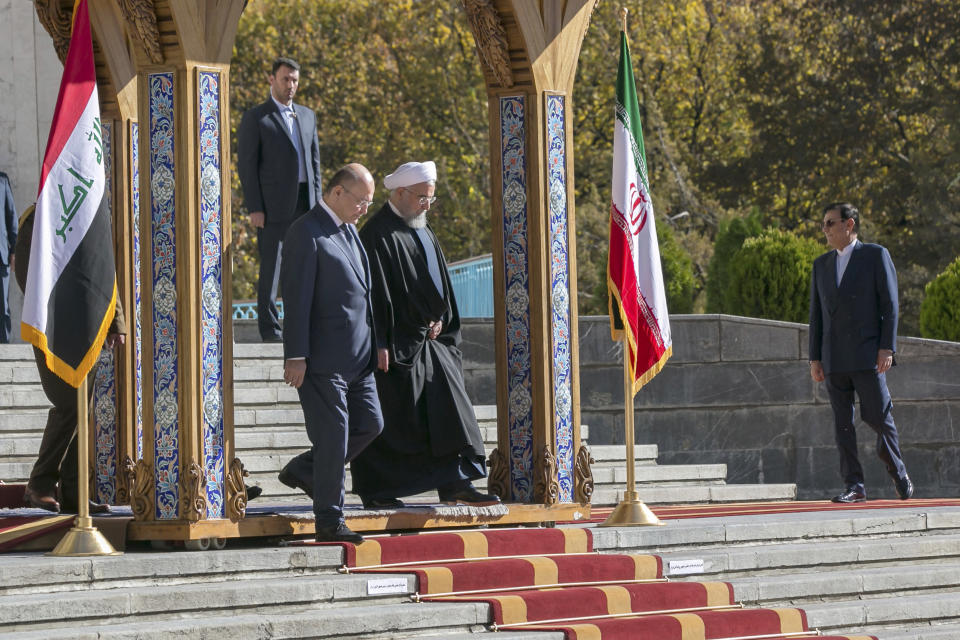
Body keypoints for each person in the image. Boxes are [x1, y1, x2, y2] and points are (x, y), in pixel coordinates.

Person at [350, 161, 499, 508]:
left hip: (433, 344)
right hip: (396, 350)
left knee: (451, 411)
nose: (426, 206)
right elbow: (373, 297)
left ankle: (456, 481)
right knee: (395, 421)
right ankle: (379, 491)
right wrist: (382, 341)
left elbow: (440, 286)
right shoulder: (377, 235)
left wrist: (442, 320)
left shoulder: (423, 228)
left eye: (431, 199)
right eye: (421, 199)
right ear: (400, 193)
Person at [278, 164, 383, 543]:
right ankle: (329, 519)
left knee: (370, 424)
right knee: (334, 435)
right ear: (337, 192)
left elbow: (364, 297)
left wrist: (377, 345)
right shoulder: (305, 232)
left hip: (359, 359)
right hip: (322, 360)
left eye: (369, 203)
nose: (364, 209)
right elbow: (297, 297)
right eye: (360, 201)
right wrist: (296, 354)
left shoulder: (350, 232)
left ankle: (306, 471)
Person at [15, 205, 122, 514]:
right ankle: (40, 483)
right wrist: (52, 314)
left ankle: (74, 492)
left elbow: (104, 271)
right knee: (68, 403)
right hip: (54, 327)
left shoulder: (91, 210)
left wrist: (116, 321)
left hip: (88, 328)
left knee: (82, 409)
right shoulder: (39, 215)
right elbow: (27, 272)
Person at [809, 202, 912, 503]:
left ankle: (898, 471)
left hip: (868, 355)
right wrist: (815, 357)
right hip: (834, 358)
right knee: (842, 425)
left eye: (830, 223)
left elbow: (890, 306)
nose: (825, 230)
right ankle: (854, 485)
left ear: (849, 225)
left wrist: (886, 348)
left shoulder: (875, 255)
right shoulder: (821, 265)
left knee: (878, 416)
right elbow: (816, 316)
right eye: (824, 224)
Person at [237, 57, 322, 342]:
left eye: (295, 80)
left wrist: (319, 204)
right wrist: (255, 208)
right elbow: (247, 167)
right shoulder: (257, 117)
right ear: (272, 80)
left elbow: (315, 165)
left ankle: (302, 326)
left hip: (305, 203)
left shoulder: (308, 116)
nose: (291, 85)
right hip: (272, 208)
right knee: (272, 268)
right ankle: (270, 329)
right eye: (286, 79)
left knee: (304, 266)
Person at [0, 170, 17, 343]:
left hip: (1, 255)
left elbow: (11, 217)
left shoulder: (2, 180)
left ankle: (4, 348)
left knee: (2, 307)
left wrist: (14, 251)